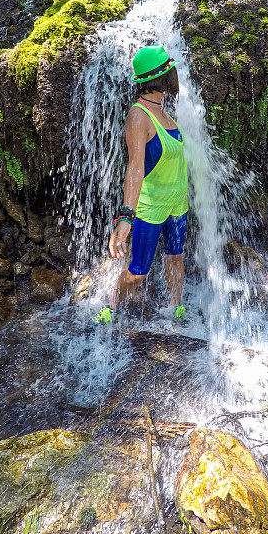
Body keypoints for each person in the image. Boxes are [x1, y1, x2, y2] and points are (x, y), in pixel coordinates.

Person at [89, 44, 189, 327]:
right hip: (151, 206)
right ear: (162, 77)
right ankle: (112, 307)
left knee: (176, 257)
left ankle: (175, 305)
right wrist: (125, 217)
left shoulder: (164, 112)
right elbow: (135, 167)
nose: (176, 75)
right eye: (172, 70)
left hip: (177, 204)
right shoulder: (139, 115)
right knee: (137, 273)